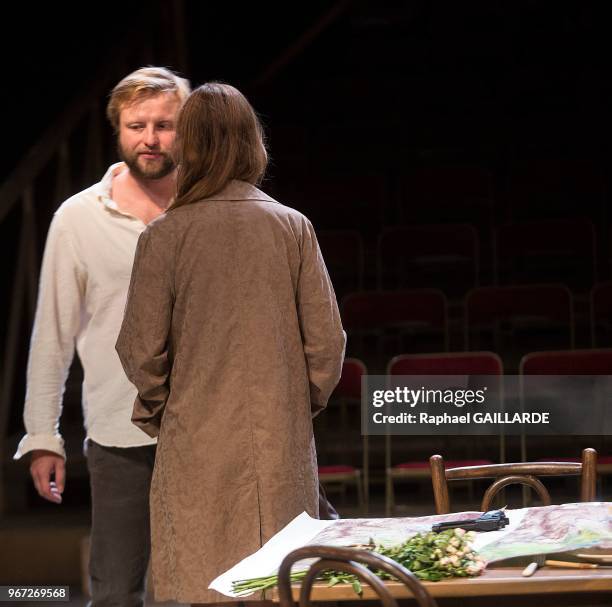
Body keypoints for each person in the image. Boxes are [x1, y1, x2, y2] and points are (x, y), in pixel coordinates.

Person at [115, 82, 346, 604]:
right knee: (282, 585)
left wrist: (167, 410)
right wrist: (291, 404)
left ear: (187, 146)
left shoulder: (165, 236)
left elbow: (138, 350)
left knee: (205, 586)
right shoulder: (291, 227)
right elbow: (327, 345)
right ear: (250, 143)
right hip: (279, 446)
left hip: (196, 446)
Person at [14, 67, 191, 607]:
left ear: (189, 129)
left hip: (206, 427)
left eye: (165, 124)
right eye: (137, 125)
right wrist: (43, 435)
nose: (151, 138)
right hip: (120, 431)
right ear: (119, 129)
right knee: (115, 590)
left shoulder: (212, 209)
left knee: (204, 586)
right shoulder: (78, 218)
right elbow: (53, 333)